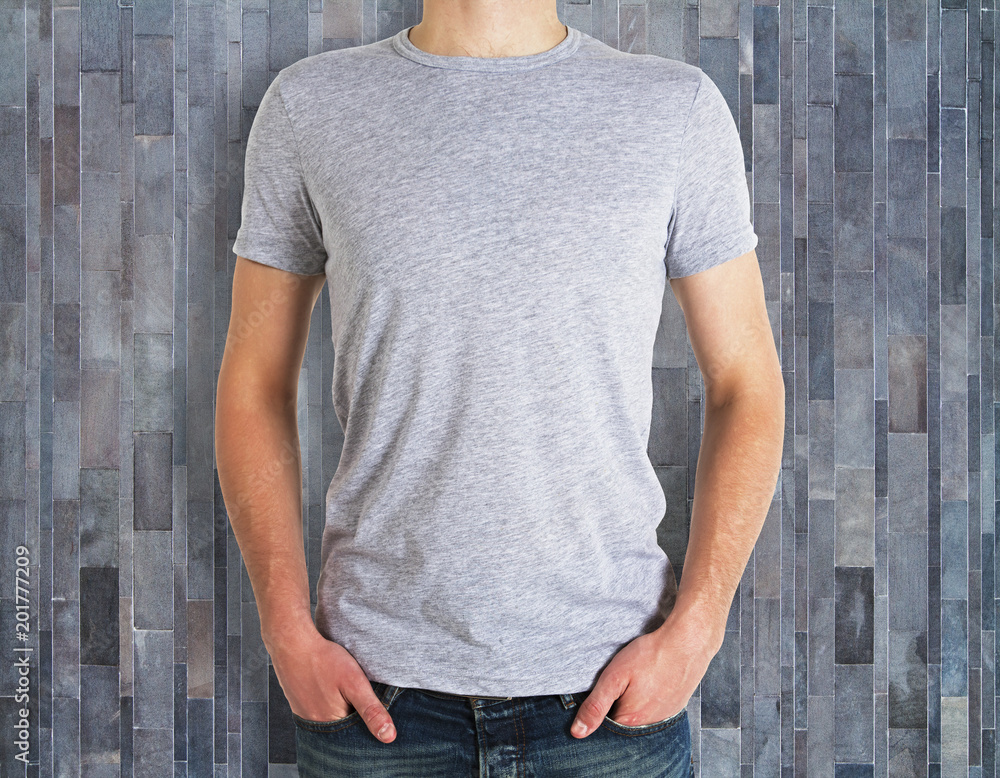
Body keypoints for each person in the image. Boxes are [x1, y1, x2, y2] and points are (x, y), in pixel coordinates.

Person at [215, 0, 785, 775]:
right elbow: (253, 384)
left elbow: (748, 384)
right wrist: (285, 629)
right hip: (376, 702)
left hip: (609, 704)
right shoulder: (311, 106)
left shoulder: (674, 109)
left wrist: (699, 630)